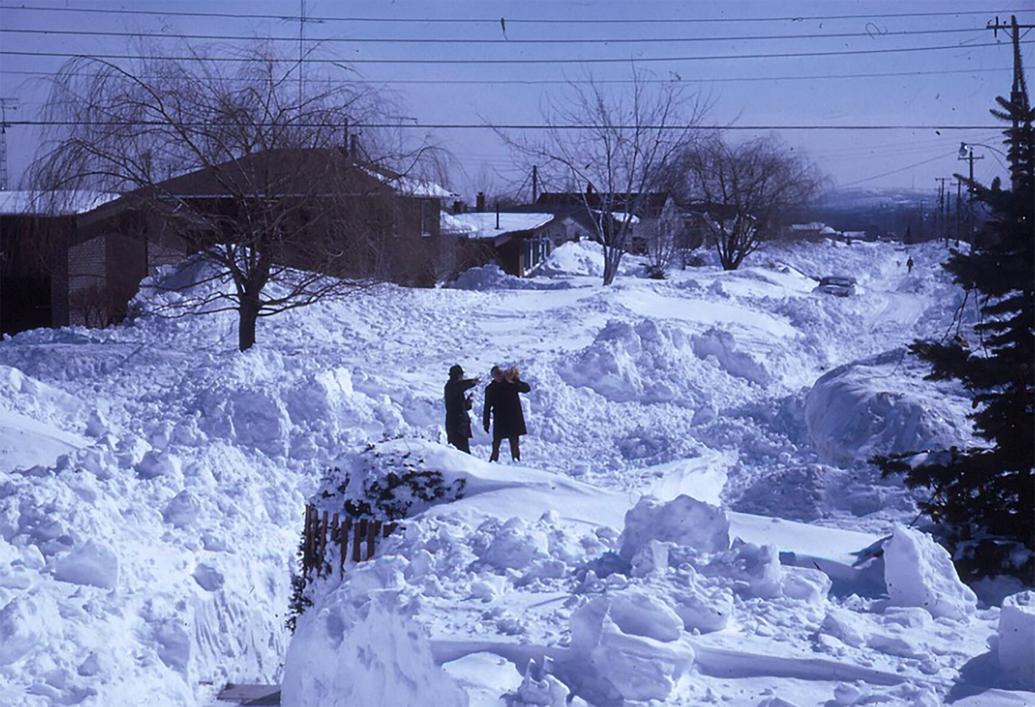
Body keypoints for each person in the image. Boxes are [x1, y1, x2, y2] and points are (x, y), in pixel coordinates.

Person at [483, 365, 531, 463]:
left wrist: (516, 381)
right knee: (496, 444)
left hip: (513, 418)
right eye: (496, 374)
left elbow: (527, 389)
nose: (499, 376)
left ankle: (516, 462)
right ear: (493, 377)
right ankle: (492, 462)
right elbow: (487, 407)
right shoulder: (490, 388)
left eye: (500, 373)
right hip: (500, 419)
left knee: (514, 444)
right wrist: (486, 422)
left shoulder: (511, 383)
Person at [444, 364, 478, 453]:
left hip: (461, 426)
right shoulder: (451, 387)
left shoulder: (456, 388)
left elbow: (462, 407)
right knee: (460, 453)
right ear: (458, 376)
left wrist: (468, 402)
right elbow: (460, 386)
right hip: (456, 426)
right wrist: (472, 382)